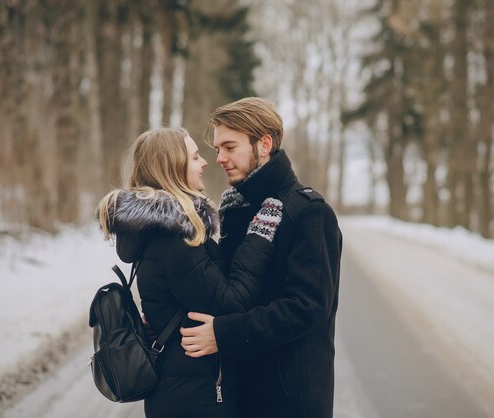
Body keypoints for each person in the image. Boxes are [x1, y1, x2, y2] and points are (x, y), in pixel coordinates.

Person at [96, 127, 283, 418]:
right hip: (196, 400)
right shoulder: (175, 240)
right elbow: (231, 303)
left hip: (183, 393)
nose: (205, 162)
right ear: (172, 168)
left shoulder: (162, 233)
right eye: (195, 156)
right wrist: (258, 236)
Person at [180, 97, 343, 418]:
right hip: (239, 394)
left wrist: (224, 334)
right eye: (216, 150)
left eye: (229, 147)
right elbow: (226, 292)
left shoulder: (309, 212)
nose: (220, 158)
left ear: (264, 144)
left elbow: (307, 308)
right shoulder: (237, 211)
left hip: (289, 400)